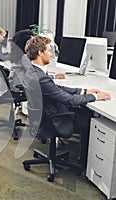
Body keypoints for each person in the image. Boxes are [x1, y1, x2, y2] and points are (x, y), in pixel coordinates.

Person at [24, 35, 111, 168]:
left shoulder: (32, 71)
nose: (51, 54)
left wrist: (84, 91)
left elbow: (56, 88)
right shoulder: (41, 78)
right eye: (48, 50)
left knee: (81, 108)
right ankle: (84, 163)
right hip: (52, 118)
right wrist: (95, 97)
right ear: (40, 53)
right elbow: (70, 100)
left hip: (42, 116)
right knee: (87, 116)